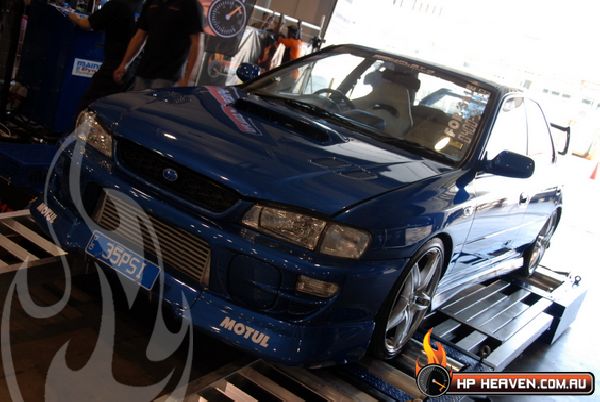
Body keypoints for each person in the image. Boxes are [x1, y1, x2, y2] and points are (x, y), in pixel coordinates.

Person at [113, 0, 203, 90]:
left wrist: (188, 78)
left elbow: (196, 44)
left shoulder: (190, 4)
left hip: (170, 75)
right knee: (138, 98)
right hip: (144, 71)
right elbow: (139, 37)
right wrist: (124, 64)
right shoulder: (151, 2)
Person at [68, 0, 139, 110]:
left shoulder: (115, 5)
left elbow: (87, 24)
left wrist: (73, 17)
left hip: (114, 66)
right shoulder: (134, 6)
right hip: (129, 65)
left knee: (89, 104)